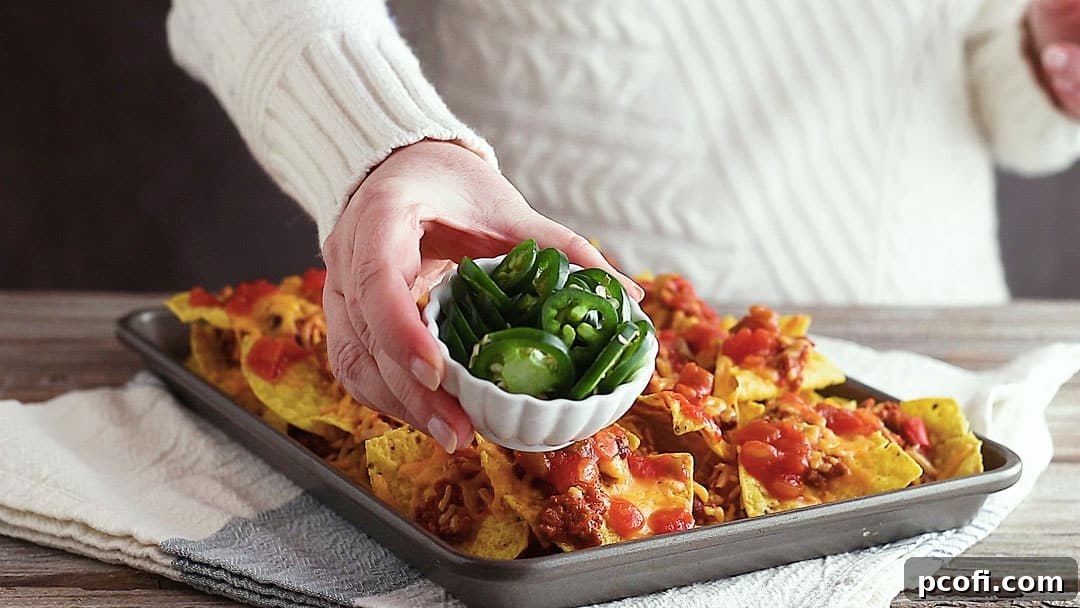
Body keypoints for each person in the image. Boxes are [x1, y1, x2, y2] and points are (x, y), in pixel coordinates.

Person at [167, 0, 1080, 453]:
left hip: (948, 361)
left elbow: (979, 60)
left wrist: (1043, 62)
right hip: (526, 379)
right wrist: (378, 142)